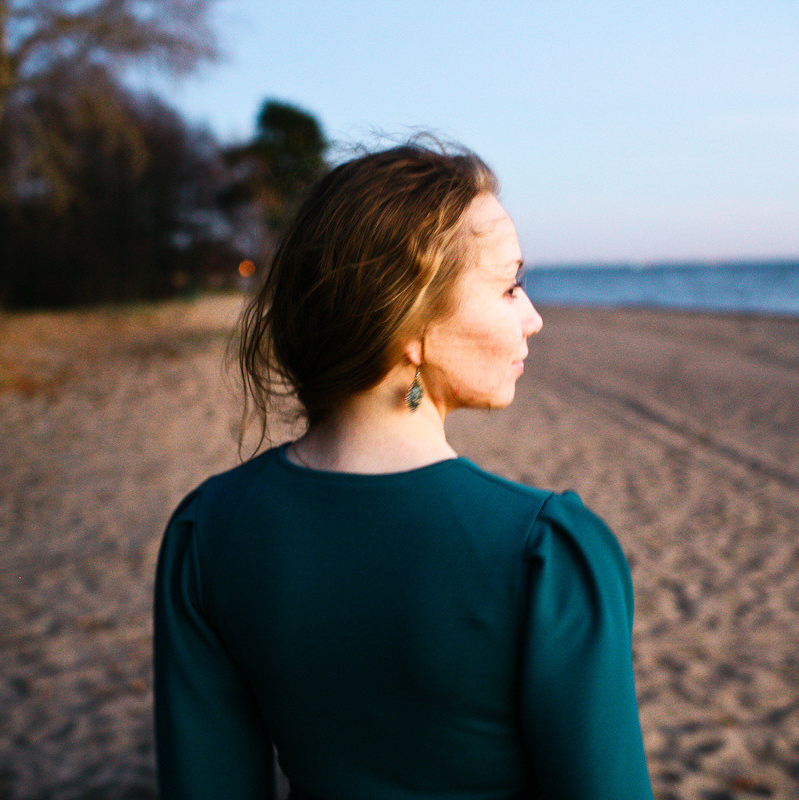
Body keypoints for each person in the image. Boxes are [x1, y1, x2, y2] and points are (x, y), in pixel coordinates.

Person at [153, 142, 654, 799]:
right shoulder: (546, 554)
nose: (533, 318)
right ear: (409, 324)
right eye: (509, 287)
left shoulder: (205, 532)